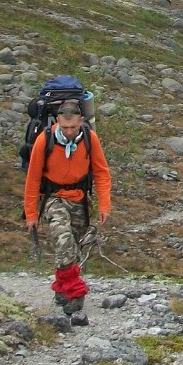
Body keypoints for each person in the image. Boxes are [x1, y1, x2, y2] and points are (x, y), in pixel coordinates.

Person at [22, 97, 112, 325]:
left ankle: (62, 287)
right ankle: (75, 292)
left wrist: (104, 205)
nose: (69, 132)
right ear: (57, 122)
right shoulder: (46, 140)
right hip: (54, 199)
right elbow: (32, 179)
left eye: (73, 127)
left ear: (81, 121)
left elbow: (101, 172)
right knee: (63, 241)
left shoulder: (90, 138)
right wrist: (31, 214)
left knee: (75, 246)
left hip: (79, 199)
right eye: (64, 127)